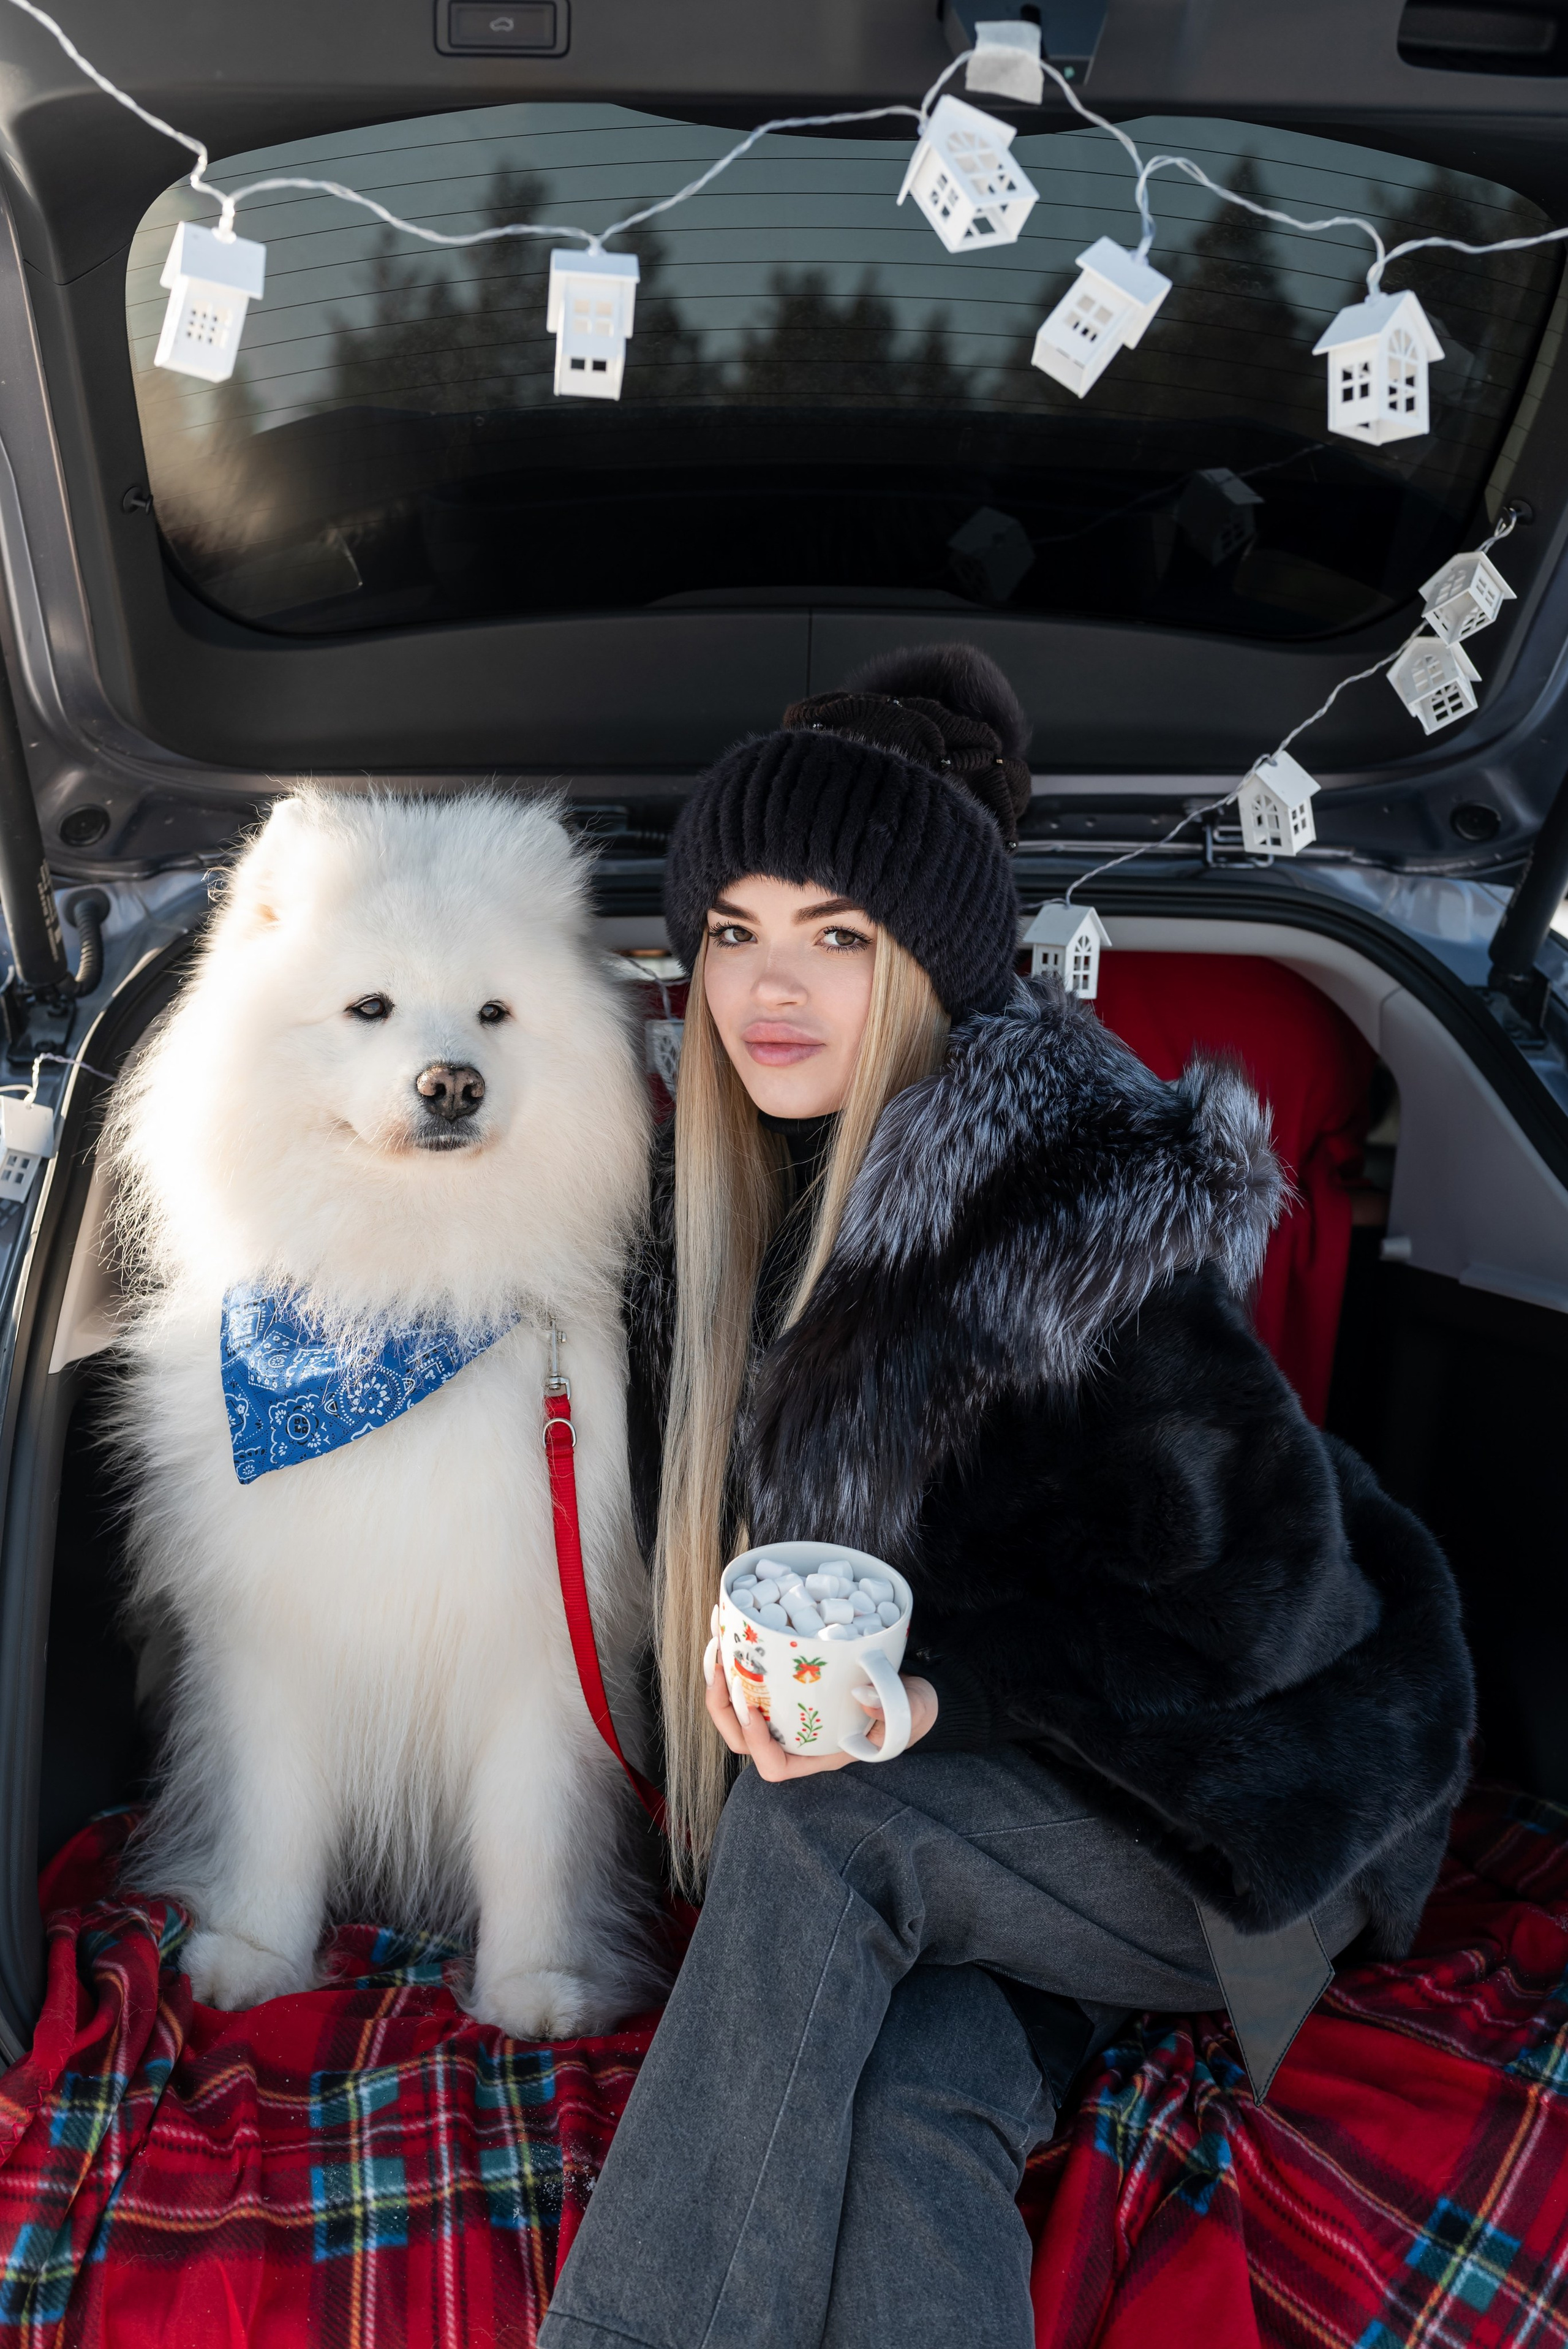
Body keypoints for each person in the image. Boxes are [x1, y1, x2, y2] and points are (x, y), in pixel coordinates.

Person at [539, 645, 1474, 2349]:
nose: (773, 985)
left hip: (1249, 1811)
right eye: (735, 929)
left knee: (826, 1823)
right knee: (914, 2098)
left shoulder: (1069, 1202)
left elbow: (1263, 1599)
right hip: (1011, 1828)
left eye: (838, 934)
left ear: (928, 966)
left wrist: (925, 1701)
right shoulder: (737, 1195)